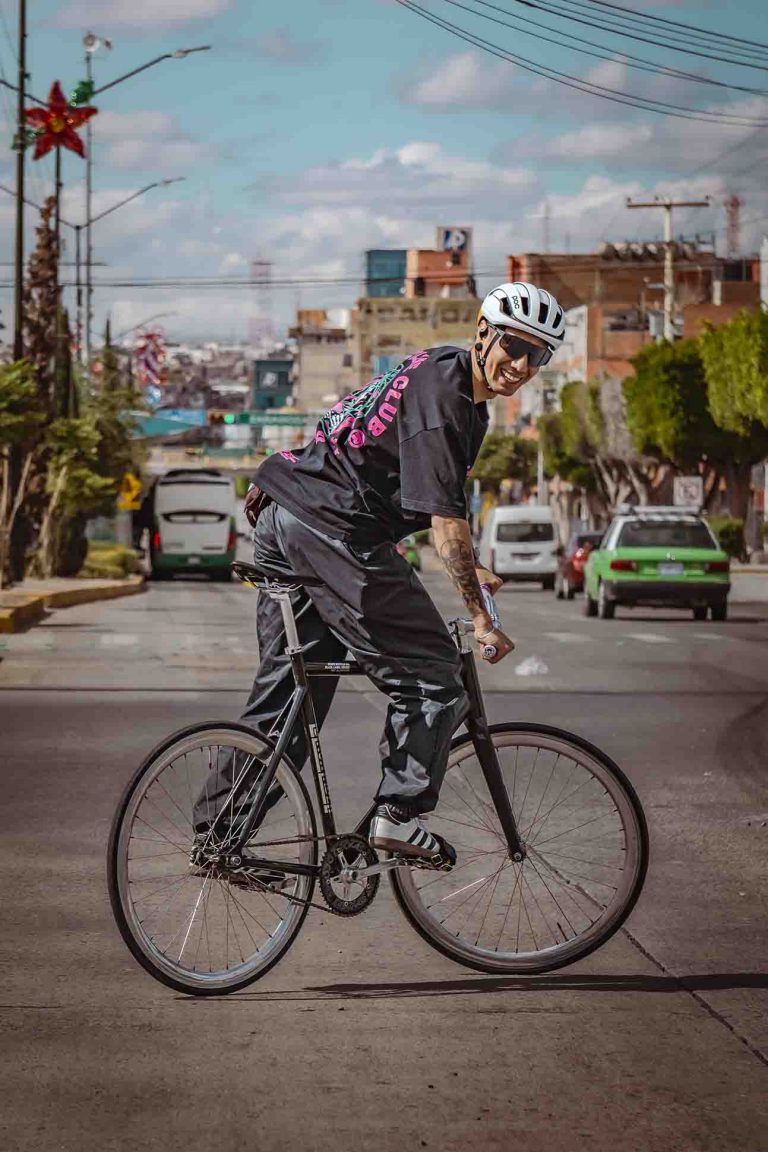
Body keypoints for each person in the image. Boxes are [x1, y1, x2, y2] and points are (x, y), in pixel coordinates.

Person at [194, 282, 565, 867]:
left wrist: (473, 566)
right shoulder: (446, 398)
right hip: (329, 529)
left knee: (292, 695)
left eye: (536, 356)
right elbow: (446, 523)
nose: (519, 365)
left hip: (287, 515)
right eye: (513, 346)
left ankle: (220, 834)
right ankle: (398, 816)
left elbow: (408, 492)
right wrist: (478, 616)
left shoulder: (448, 384)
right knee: (435, 674)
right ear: (483, 333)